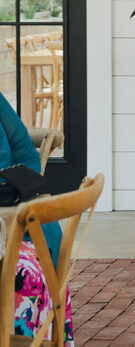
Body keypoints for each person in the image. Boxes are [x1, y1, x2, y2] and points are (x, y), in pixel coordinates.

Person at [0, 94, 75, 343]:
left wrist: (19, 187)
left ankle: (35, 336)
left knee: (37, 255)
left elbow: (23, 149)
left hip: (13, 206)